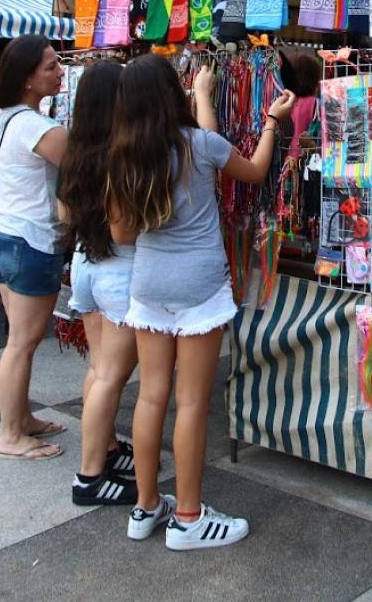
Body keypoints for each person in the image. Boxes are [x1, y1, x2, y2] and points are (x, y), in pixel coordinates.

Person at [107, 54, 294, 550]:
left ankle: (145, 508)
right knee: (190, 403)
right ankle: (188, 518)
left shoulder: (123, 155)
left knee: (150, 398)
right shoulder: (199, 146)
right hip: (199, 286)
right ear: (174, 93)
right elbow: (252, 171)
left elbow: (122, 235)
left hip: (148, 285)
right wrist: (272, 121)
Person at [0, 34, 68, 460]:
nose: (59, 72)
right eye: (50, 66)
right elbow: (88, 161)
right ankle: (11, 434)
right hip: (29, 239)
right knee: (22, 340)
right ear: (26, 79)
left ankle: (20, 418)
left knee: (21, 337)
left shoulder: (0, 117)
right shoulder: (39, 128)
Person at [58, 61, 139, 503]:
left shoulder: (75, 151)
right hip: (118, 269)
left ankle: (104, 450)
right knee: (111, 375)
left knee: (99, 371)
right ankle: (90, 477)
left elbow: (63, 215)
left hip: (84, 264)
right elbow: (125, 230)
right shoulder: (120, 154)